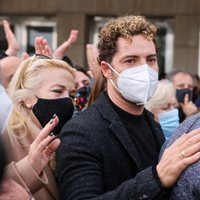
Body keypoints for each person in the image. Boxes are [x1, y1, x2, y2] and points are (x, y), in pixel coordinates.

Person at [56, 15, 200, 200]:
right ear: (107, 70)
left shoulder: (152, 123)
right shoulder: (80, 132)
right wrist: (156, 178)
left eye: (151, 59)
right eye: (130, 60)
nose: (145, 69)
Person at [3, 52, 76, 199]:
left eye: (72, 95)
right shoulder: (6, 139)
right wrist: (30, 165)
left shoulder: (69, 135)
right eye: (57, 91)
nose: (68, 100)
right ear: (27, 98)